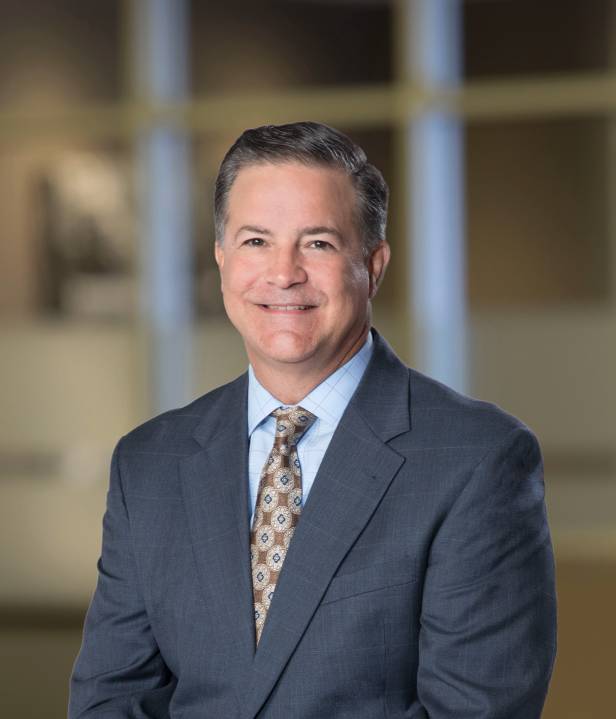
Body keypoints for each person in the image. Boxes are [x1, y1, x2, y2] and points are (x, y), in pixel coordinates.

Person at [69, 121, 556, 718]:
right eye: (255, 242)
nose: (283, 273)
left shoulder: (477, 459)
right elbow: (110, 698)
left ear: (373, 264)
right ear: (222, 262)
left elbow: (476, 711)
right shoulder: (149, 462)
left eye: (318, 242)